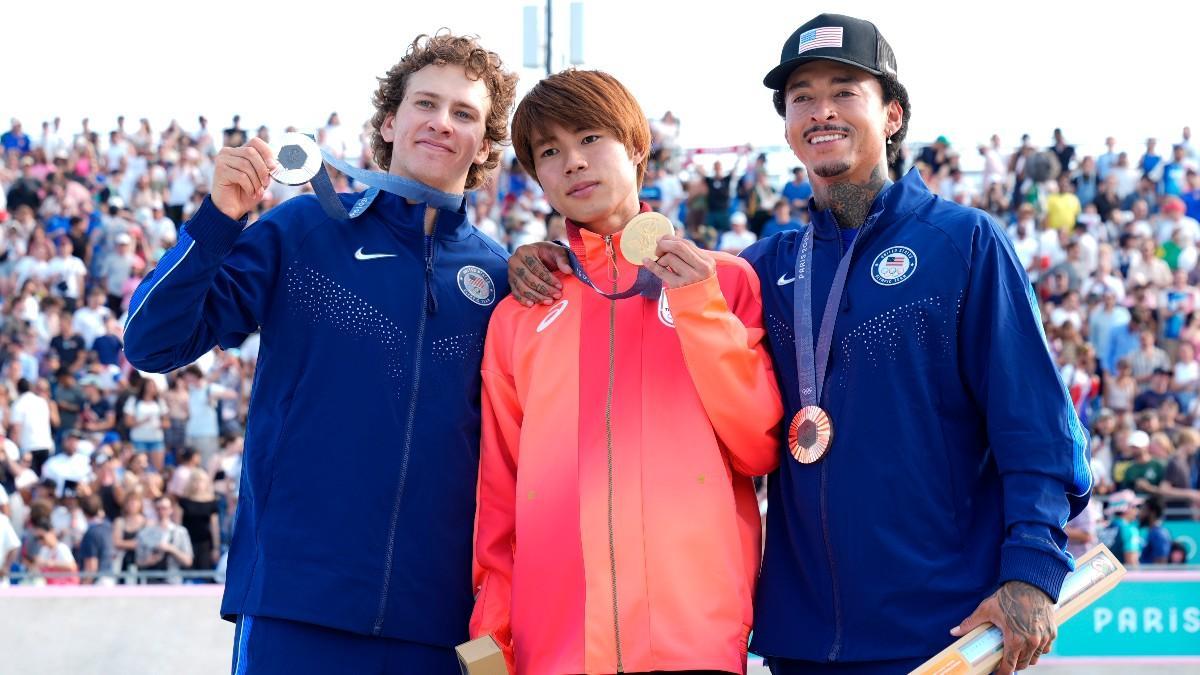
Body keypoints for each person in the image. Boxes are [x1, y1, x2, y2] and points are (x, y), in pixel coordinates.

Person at [508, 14, 1090, 674]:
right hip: (802, 638)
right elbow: (630, 297)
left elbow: (1038, 427)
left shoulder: (964, 244)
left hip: (943, 627)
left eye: (845, 91)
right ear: (786, 125)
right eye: (801, 98)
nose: (821, 111)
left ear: (893, 114)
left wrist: (1032, 571)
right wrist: (548, 253)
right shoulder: (761, 267)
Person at [121, 32, 517, 672]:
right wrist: (220, 218)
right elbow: (152, 342)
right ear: (389, 122)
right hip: (295, 602)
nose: (441, 123)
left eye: (464, 113)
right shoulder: (303, 230)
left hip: (439, 622)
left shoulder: (501, 280)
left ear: (485, 146)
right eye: (425, 103)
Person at [473, 69, 782, 674]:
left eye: (589, 138)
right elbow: (500, 496)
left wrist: (698, 307)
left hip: (695, 639)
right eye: (550, 152)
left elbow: (759, 447)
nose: (573, 163)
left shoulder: (724, 281)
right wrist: (491, 640)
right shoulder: (521, 311)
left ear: (636, 146)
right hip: (555, 647)